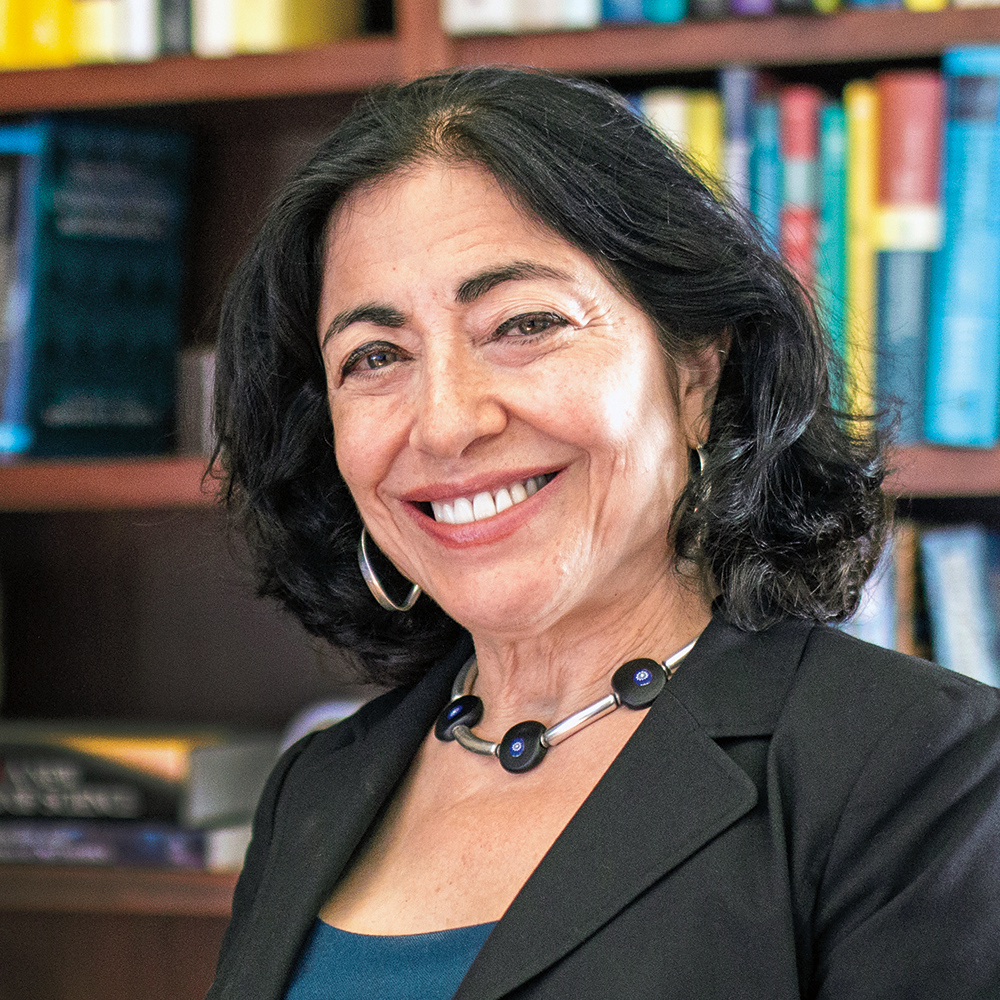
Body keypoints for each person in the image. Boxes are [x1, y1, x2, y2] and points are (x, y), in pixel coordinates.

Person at [206, 66, 1000, 1000]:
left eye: (525, 323)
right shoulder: (316, 787)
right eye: (375, 357)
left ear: (698, 372)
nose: (447, 422)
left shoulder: (919, 769)